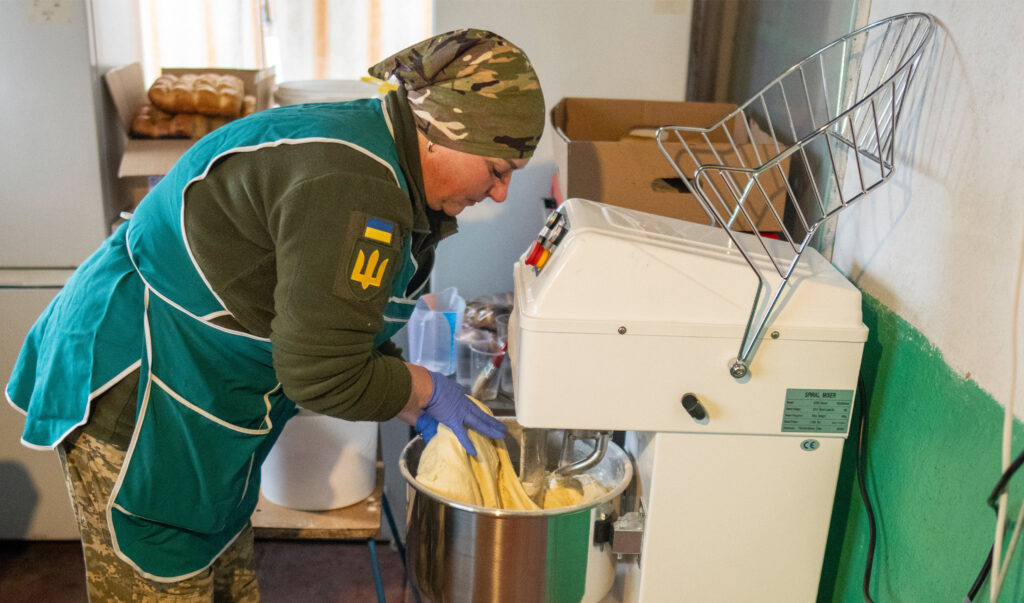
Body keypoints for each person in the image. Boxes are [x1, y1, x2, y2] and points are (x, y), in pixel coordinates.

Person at [5, 28, 545, 601]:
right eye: (496, 169)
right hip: (141, 389)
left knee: (224, 572)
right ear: (440, 131)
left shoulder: (389, 163)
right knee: (164, 577)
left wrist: (409, 400)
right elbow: (322, 374)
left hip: (209, 398)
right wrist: (424, 388)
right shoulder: (355, 185)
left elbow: (341, 318)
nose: (501, 194)